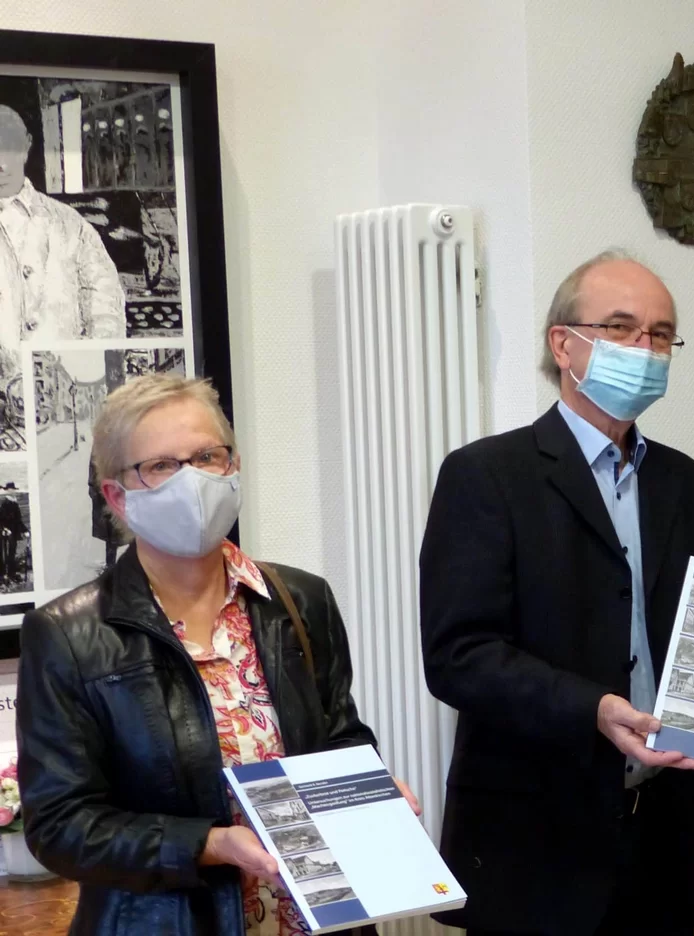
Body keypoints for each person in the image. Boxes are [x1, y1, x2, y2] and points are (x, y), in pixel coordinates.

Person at [419, 249, 694, 936]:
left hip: (660, 842)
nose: (645, 349)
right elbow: (459, 657)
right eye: (620, 327)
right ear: (564, 345)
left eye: (660, 335)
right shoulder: (486, 477)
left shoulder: (691, 488)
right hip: (532, 847)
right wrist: (594, 709)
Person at [16, 374, 420, 936]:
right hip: (169, 922)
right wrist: (208, 844)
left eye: (207, 456)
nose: (193, 480)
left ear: (233, 466)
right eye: (161, 466)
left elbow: (339, 737)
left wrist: (369, 791)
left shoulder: (299, 600)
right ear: (116, 496)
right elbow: (61, 827)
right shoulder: (68, 634)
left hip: (317, 916)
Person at [0, 105, 124, 377]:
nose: (2, 163)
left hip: (64, 385)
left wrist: (87, 370)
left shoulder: (69, 224)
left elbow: (105, 306)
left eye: (9, 148)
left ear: (27, 145)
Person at [0, 480, 25, 585]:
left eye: (13, 489)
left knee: (12, 554)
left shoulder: (14, 503)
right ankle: (4, 575)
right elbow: (1, 519)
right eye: (10, 489)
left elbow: (18, 520)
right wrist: (4, 529)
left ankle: (11, 573)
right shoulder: (5, 503)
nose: (12, 491)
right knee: (5, 555)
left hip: (13, 533)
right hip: (6, 534)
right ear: (7, 490)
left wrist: (25, 530)